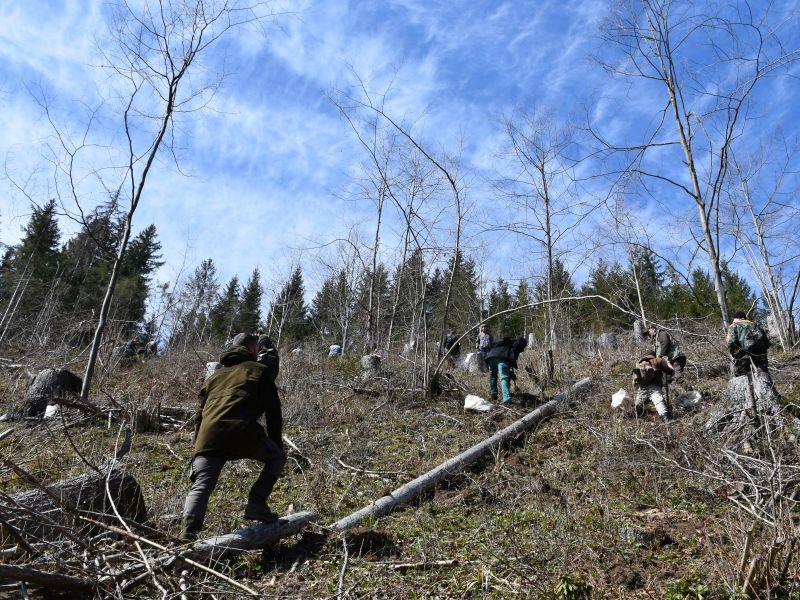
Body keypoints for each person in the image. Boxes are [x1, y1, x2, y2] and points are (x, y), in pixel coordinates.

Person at [181, 333, 286, 540]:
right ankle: (256, 503)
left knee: (201, 484)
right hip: (241, 431)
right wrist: (277, 445)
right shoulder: (258, 370)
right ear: (253, 349)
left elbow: (199, 417)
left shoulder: (214, 377)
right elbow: (273, 412)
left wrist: (197, 448)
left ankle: (187, 534)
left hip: (208, 436)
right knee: (277, 458)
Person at [632, 353, 674, 422]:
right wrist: (667, 362)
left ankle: (637, 419)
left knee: (637, 407)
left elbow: (636, 377)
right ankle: (667, 420)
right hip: (655, 388)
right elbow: (671, 371)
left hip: (642, 389)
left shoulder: (639, 362)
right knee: (659, 403)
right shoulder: (658, 360)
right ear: (654, 355)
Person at [726, 310, 770, 376]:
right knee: (763, 372)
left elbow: (731, 341)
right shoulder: (755, 325)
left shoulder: (734, 326)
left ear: (736, 318)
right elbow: (767, 343)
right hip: (761, 352)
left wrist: (732, 353)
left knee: (741, 374)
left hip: (743, 353)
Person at [486, 336, 527, 404]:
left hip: (491, 357)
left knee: (493, 376)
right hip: (501, 358)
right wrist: (510, 373)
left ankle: (494, 394)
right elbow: (512, 358)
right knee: (504, 377)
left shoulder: (507, 342)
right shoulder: (516, 345)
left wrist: (510, 371)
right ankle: (506, 398)